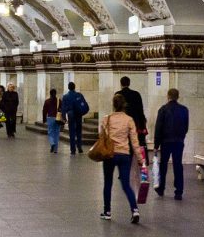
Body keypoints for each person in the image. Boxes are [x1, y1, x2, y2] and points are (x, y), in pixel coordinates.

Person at [98, 93, 142, 223]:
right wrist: (140, 159)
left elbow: (101, 135)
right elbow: (135, 142)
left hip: (109, 155)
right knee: (126, 184)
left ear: (113, 104)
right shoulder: (129, 120)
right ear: (124, 105)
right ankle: (134, 210)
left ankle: (107, 211)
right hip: (124, 155)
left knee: (108, 183)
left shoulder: (107, 118)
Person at [153, 88, 189, 201]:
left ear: (168, 96)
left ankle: (161, 188)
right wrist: (181, 137)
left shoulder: (163, 110)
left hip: (166, 141)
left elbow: (158, 128)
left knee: (163, 164)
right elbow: (186, 126)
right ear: (178, 97)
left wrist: (156, 145)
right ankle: (179, 191)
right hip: (178, 141)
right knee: (178, 165)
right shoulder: (184, 110)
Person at [59, 82, 89, 155]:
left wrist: (63, 117)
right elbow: (84, 104)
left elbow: (63, 108)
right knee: (79, 131)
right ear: (74, 87)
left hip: (71, 115)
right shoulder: (79, 95)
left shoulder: (65, 96)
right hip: (79, 115)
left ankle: (73, 149)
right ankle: (79, 147)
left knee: (72, 132)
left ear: (68, 88)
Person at [42, 88, 61, 153]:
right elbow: (62, 110)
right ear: (56, 93)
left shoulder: (47, 101)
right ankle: (55, 150)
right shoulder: (59, 100)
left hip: (50, 118)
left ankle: (52, 143)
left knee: (50, 133)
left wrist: (44, 119)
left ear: (50, 94)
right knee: (56, 133)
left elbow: (44, 111)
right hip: (57, 118)